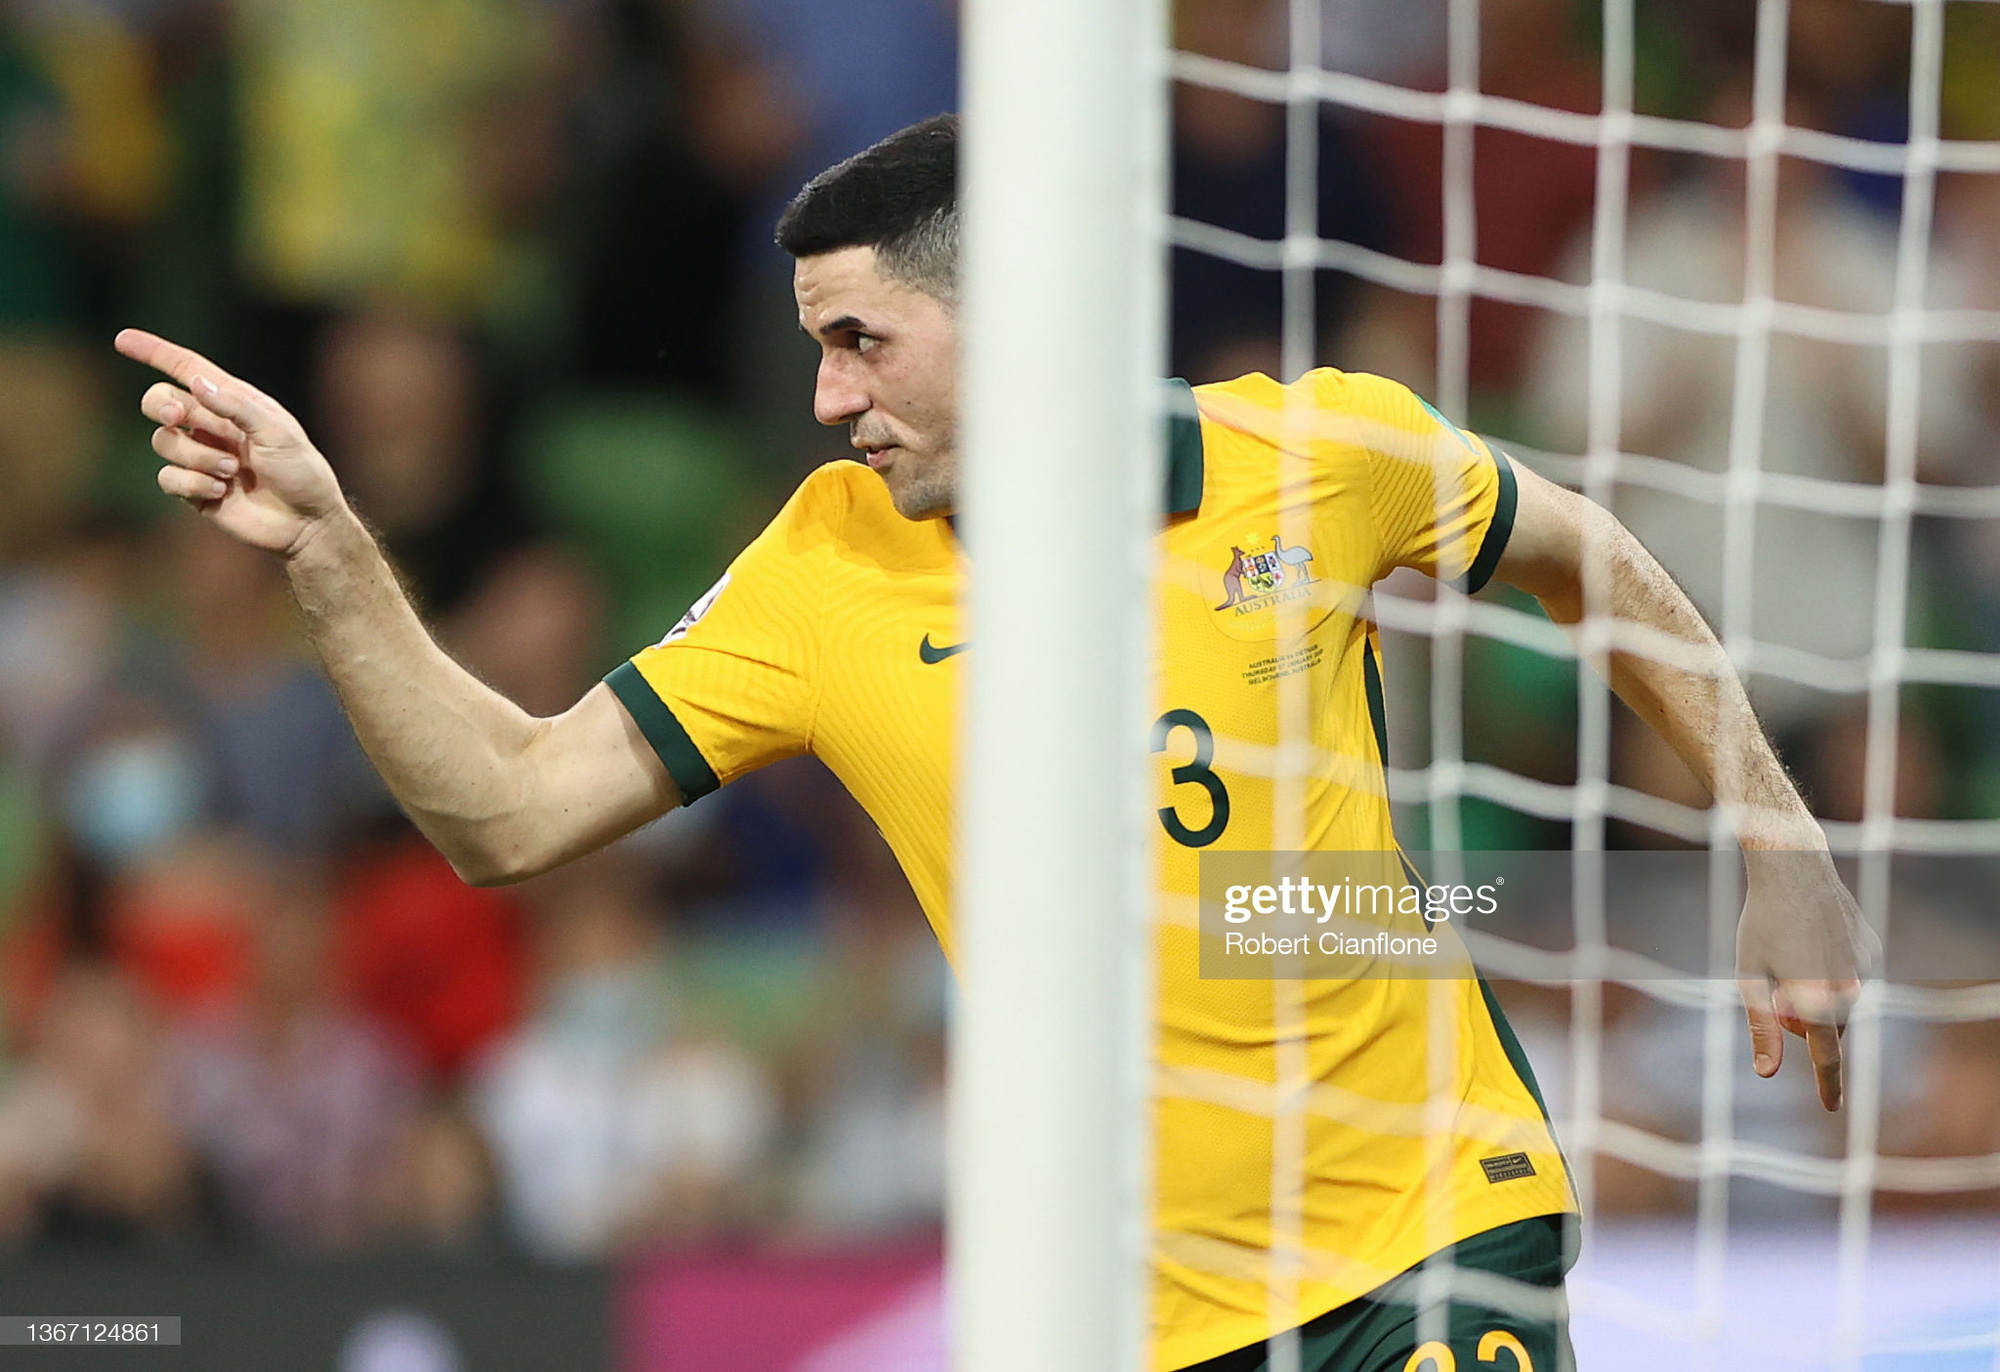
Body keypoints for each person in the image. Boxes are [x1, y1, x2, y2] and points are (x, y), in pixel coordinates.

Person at [117, 113, 1873, 1372]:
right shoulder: (823, 570)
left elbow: (1587, 554)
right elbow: (506, 813)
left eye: (860, 342)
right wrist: (336, 559)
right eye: (815, 349)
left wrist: (1781, 846)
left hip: (1424, 1224)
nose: (826, 398)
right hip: (1129, 1311)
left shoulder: (1309, 457)